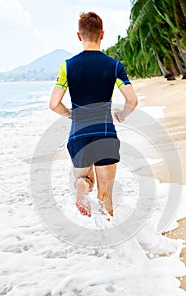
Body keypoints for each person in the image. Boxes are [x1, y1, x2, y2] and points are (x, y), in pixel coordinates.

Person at [49, 12, 138, 218]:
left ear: (79, 36)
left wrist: (71, 114)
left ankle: (82, 186)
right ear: (102, 34)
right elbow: (132, 100)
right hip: (105, 133)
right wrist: (123, 114)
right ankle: (112, 244)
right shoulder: (114, 66)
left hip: (79, 135)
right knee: (105, 194)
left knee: (86, 180)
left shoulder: (67, 66)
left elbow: (54, 104)